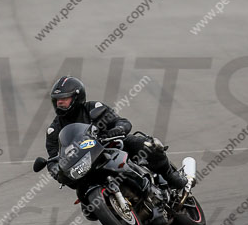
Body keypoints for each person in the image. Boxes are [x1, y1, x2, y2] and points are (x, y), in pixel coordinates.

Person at [45, 76, 187, 192]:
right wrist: (55, 169)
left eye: (64, 98)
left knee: (145, 145)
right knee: (82, 195)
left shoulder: (93, 108)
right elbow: (54, 157)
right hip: (86, 163)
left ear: (77, 97)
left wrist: (117, 130)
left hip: (110, 146)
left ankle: (172, 176)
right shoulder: (54, 130)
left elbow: (122, 122)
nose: (60, 103)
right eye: (57, 100)